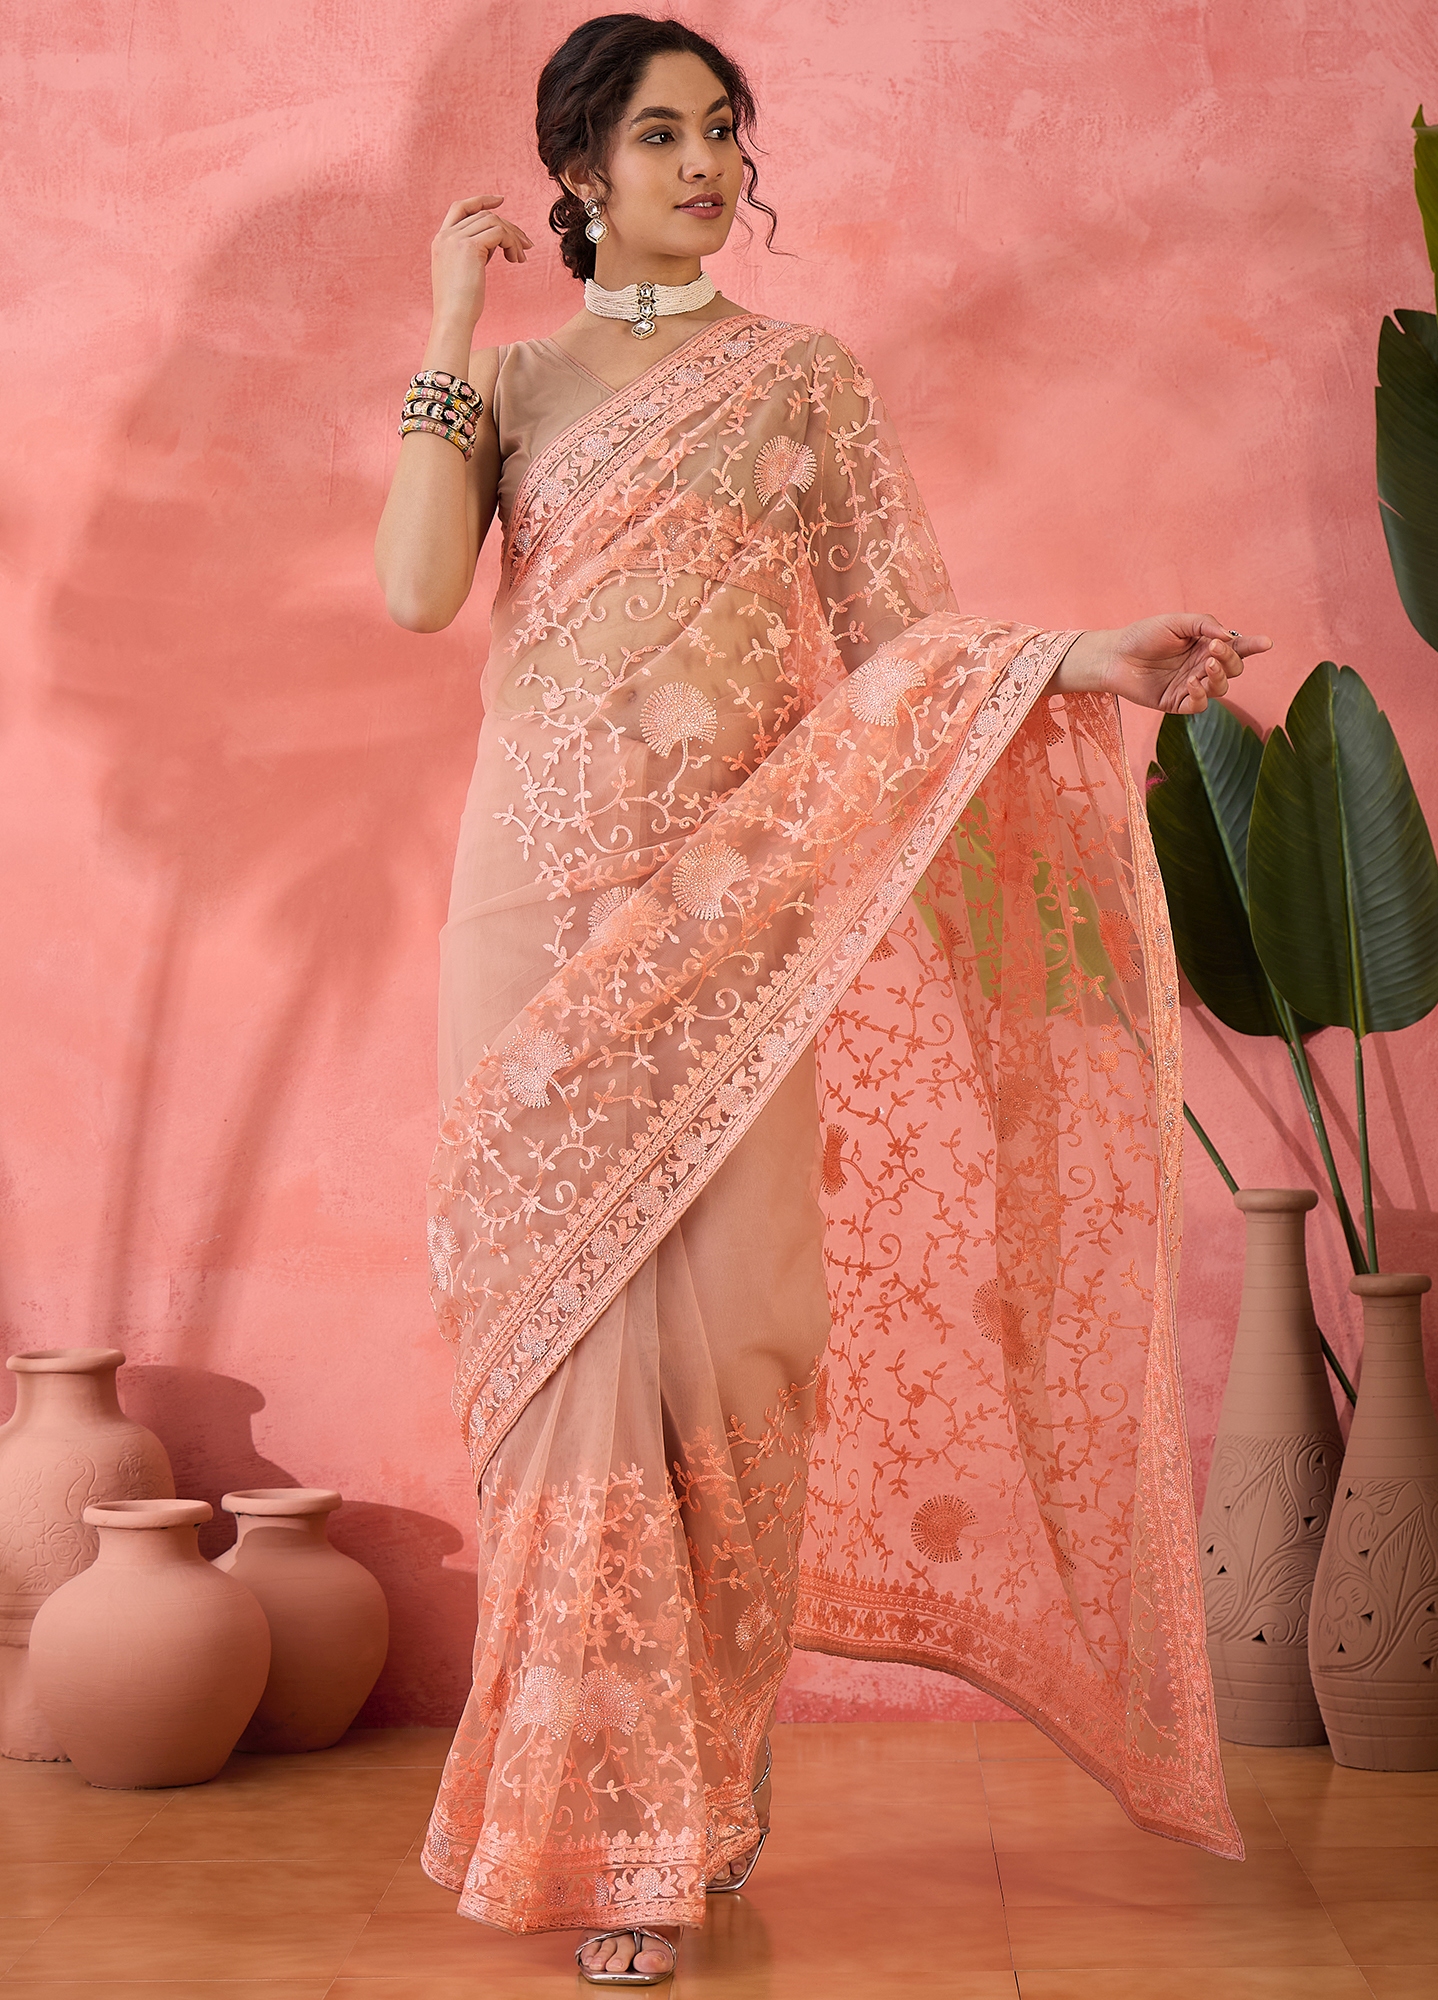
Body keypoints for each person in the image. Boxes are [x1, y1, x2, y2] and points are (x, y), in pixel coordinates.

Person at [376, 14, 1266, 1987]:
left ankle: (699, 1767)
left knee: (741, 1349)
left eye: (724, 130)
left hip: (740, 917)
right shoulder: (511, 382)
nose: (706, 163)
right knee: (564, 1366)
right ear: (580, 172)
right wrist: (446, 323)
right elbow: (418, 589)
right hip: (531, 921)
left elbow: (901, 655)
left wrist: (1082, 659)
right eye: (661, 135)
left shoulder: (802, 383)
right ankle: (617, 1838)